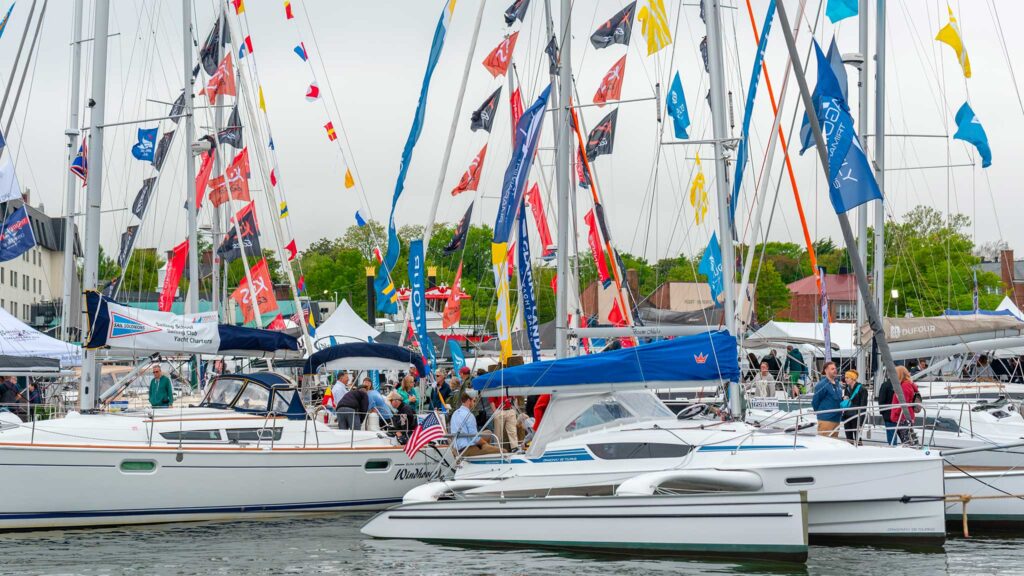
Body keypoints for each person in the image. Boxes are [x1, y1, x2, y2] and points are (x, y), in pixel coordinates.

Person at [450, 390, 500, 457]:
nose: (475, 403)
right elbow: (475, 439)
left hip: (457, 447)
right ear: (468, 401)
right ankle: (485, 451)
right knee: (502, 451)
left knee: (488, 433)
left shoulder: (455, 413)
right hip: (466, 449)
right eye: (474, 401)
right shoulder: (469, 415)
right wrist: (485, 444)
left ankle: (484, 450)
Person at [889, 365, 921, 445]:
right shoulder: (906, 384)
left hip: (903, 417)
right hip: (904, 416)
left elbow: (904, 402)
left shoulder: (905, 385)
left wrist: (895, 413)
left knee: (907, 441)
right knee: (907, 440)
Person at [811, 361, 843, 437]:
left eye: (835, 368)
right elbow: (815, 400)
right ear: (826, 370)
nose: (835, 370)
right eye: (832, 369)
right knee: (824, 442)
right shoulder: (822, 384)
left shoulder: (838, 384)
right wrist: (820, 413)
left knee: (834, 442)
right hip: (826, 419)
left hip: (837, 419)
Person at [840, 370, 868, 444]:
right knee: (849, 438)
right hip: (847, 415)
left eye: (847, 378)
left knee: (858, 438)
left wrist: (861, 421)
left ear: (853, 378)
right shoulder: (847, 388)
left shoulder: (862, 389)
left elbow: (863, 406)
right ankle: (850, 449)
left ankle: (859, 449)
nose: (845, 379)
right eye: (845, 377)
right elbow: (847, 402)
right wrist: (844, 398)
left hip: (856, 416)